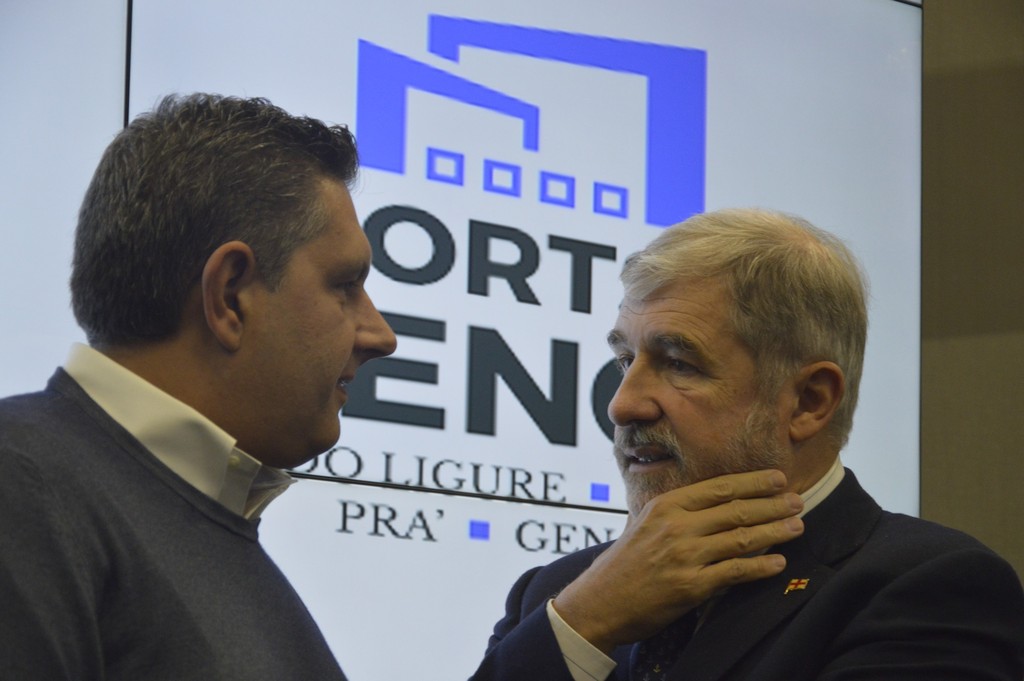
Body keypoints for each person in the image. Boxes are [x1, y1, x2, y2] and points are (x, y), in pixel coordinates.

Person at [472, 209, 1024, 681]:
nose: (622, 405)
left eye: (679, 363)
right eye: (625, 360)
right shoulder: (562, 596)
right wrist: (583, 624)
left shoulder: (927, 586)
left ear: (809, 401)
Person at [0, 94, 396, 679]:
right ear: (229, 295)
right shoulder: (22, 483)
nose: (381, 336)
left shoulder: (206, 522)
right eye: (345, 285)